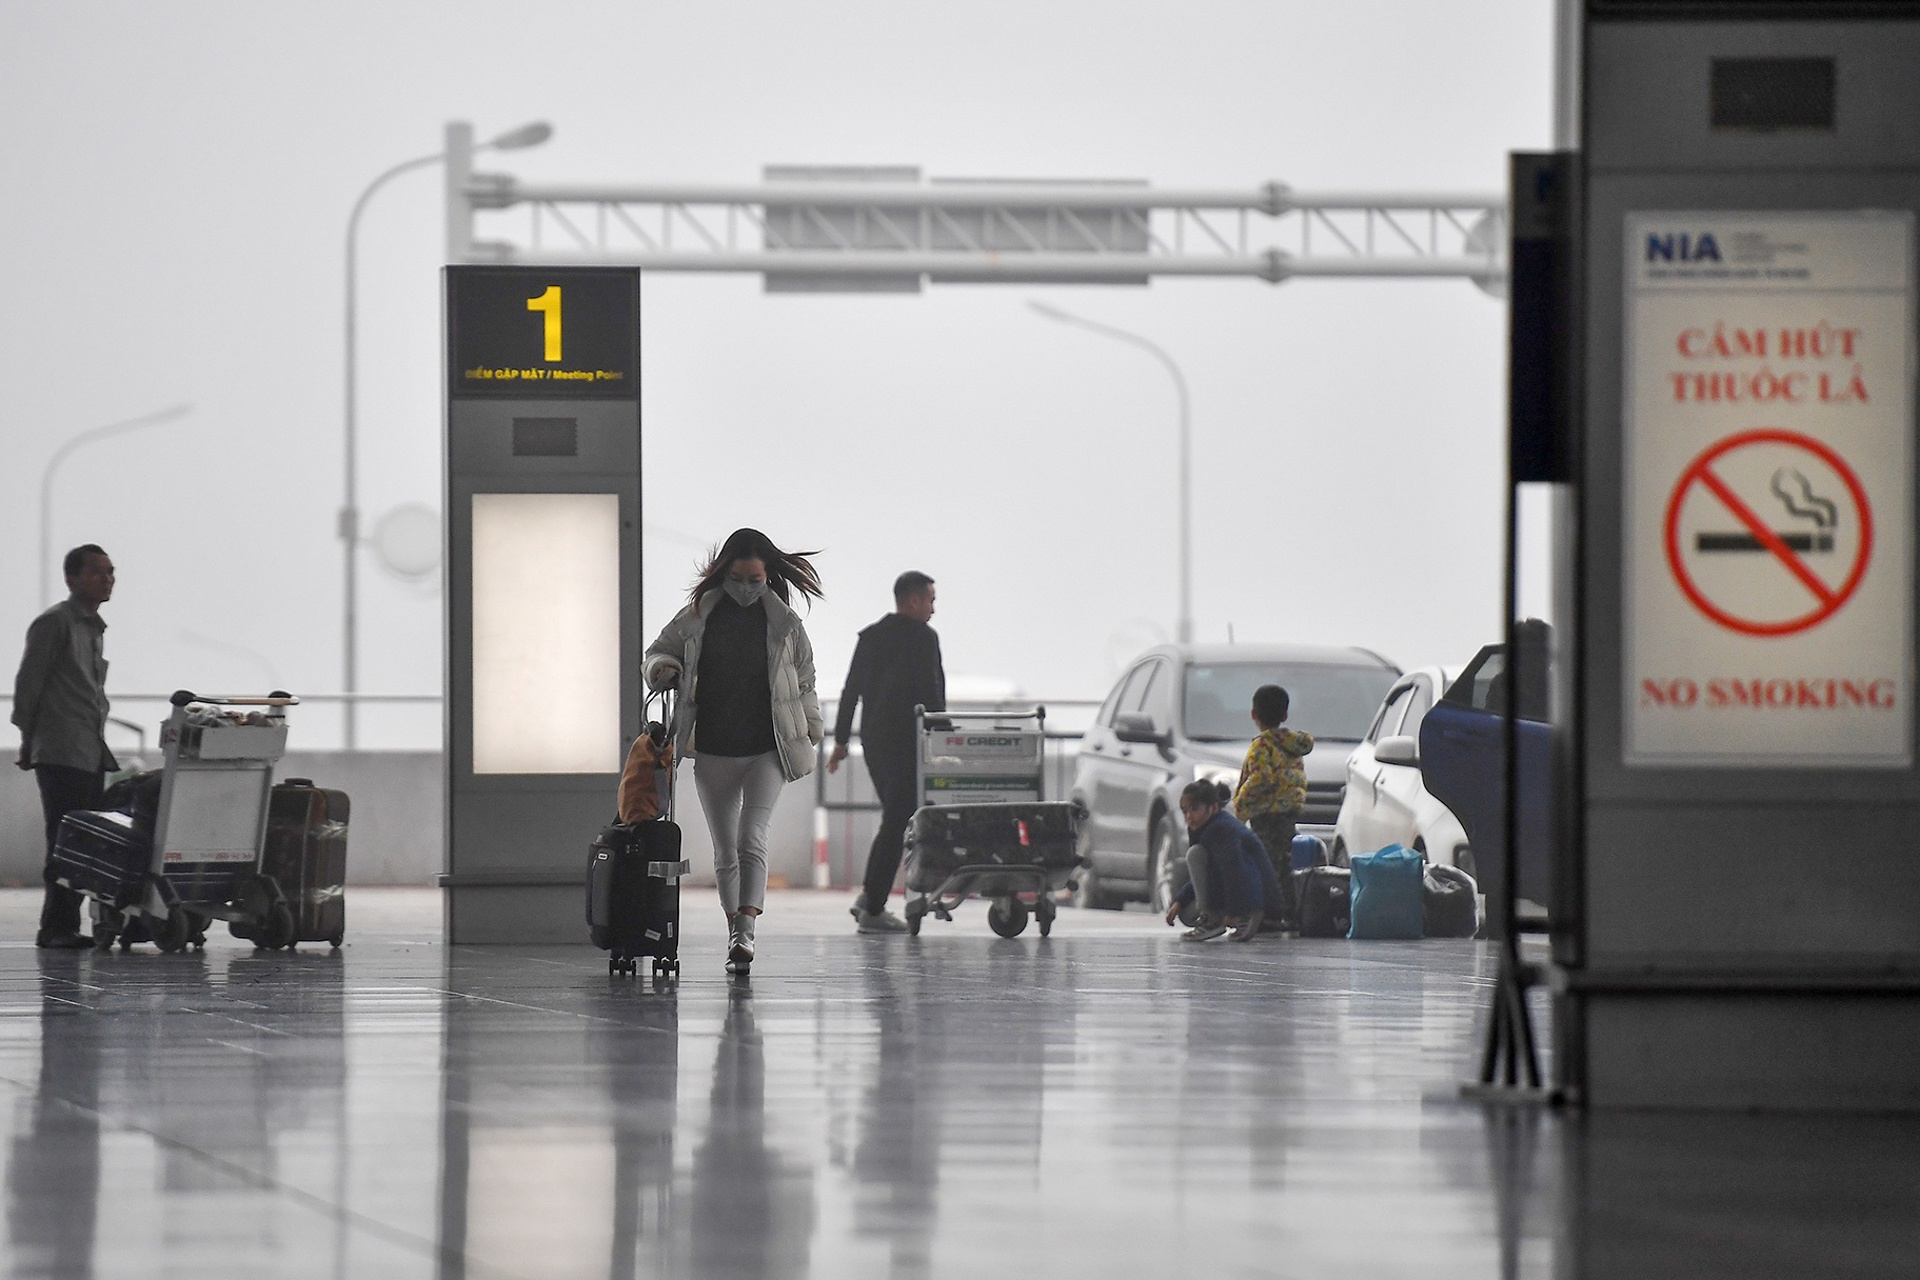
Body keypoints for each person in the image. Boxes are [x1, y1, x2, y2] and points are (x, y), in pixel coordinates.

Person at [645, 529, 825, 975]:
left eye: (755, 578)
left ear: (768, 577)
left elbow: (805, 682)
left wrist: (812, 726)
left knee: (751, 837)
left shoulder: (786, 625)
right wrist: (663, 669)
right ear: (723, 573)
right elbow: (656, 653)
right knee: (724, 848)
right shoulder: (697, 616)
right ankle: (733, 931)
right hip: (713, 748)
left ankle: (746, 930)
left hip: (768, 746)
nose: (746, 587)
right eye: (739, 577)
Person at [11, 545, 118, 949]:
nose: (106, 579)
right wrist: (28, 739)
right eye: (96, 572)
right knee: (64, 837)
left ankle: (68, 925)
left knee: (84, 839)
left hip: (88, 750)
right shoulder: (55, 623)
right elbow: (29, 684)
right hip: (60, 750)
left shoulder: (93, 628)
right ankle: (55, 926)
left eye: (110, 572)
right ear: (71, 578)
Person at [827, 571, 945, 934]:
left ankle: (868, 898)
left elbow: (850, 691)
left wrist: (842, 742)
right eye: (930, 600)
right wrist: (943, 739)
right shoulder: (925, 639)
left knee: (895, 818)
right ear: (912, 600)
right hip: (908, 742)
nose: (933, 609)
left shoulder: (871, 637)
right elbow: (934, 694)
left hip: (876, 742)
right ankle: (874, 908)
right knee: (897, 821)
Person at [1232, 684, 1313, 933]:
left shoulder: (1261, 746)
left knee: (1264, 863)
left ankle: (1268, 914)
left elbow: (1261, 778)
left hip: (1265, 813)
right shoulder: (1292, 744)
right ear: (1285, 716)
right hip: (1288, 812)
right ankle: (1289, 912)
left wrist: (1240, 803)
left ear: (1253, 714)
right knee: (1285, 862)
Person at [1163, 779, 1270, 942]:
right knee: (1186, 912)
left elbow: (1234, 872)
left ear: (1212, 808)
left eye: (1194, 809)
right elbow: (1206, 875)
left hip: (1253, 899)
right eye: (1185, 811)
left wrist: (1233, 912)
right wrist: (1179, 900)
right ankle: (1216, 918)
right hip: (1249, 896)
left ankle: (1226, 919)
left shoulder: (1219, 830)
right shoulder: (1205, 827)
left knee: (1194, 854)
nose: (1188, 817)